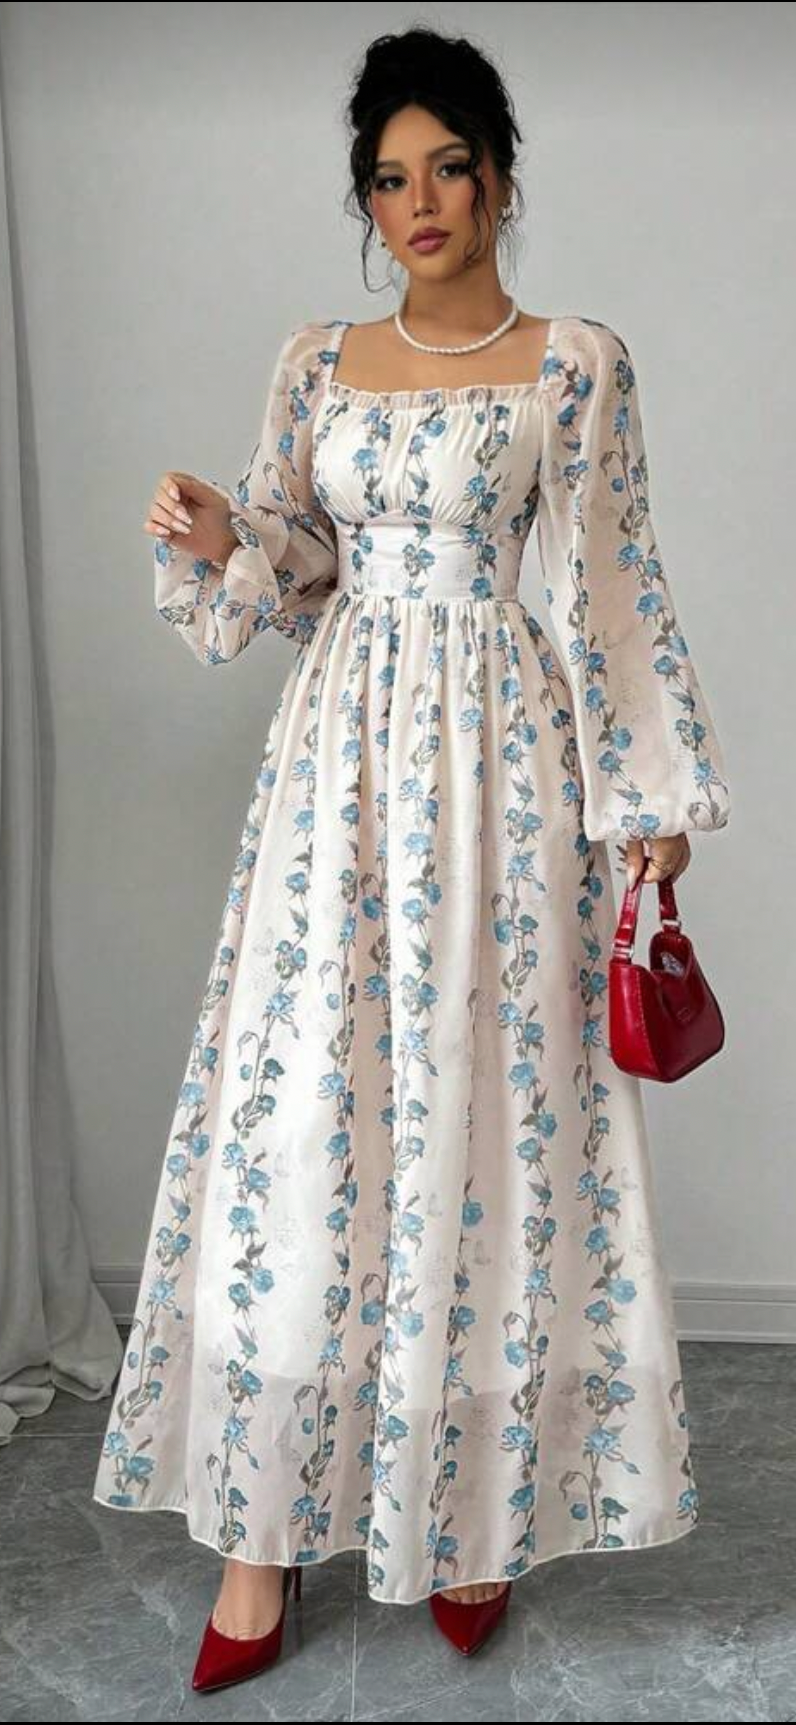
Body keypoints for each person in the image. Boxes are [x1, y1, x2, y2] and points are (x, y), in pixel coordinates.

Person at [92, 22, 731, 1690]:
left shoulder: (574, 362)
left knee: (481, 1113)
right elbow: (297, 561)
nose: (421, 201)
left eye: (450, 166)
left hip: (506, 767)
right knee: (310, 1106)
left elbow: (610, 579)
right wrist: (224, 534)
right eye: (389, 178)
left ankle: (469, 1515)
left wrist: (647, 797)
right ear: (366, 203)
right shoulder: (316, 360)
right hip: (338, 768)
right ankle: (259, 1546)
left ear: (501, 178)